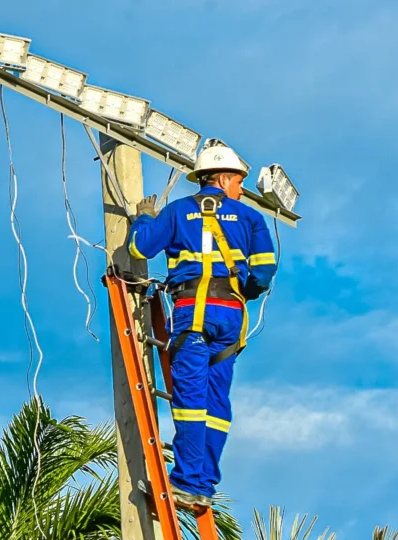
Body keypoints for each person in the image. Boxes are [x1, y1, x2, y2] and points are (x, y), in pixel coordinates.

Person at [126, 142, 277, 508]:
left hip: (194, 313)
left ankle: (188, 482)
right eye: (238, 181)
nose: (241, 189)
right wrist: (247, 289)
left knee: (190, 401)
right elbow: (265, 271)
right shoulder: (249, 218)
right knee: (216, 404)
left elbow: (139, 249)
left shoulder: (179, 211)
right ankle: (204, 484)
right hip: (230, 320)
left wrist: (145, 217)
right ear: (223, 178)